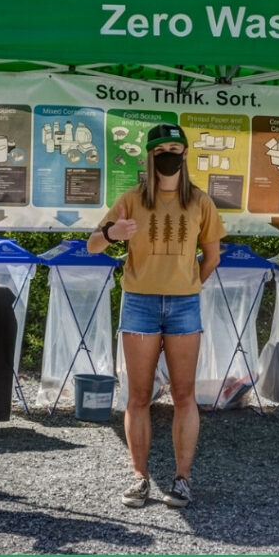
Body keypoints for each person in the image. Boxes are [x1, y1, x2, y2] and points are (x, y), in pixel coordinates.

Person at [87, 123, 225, 508]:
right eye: (161, 147)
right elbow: (93, 245)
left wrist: (189, 284)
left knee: (184, 395)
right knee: (138, 396)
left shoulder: (201, 202)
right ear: (149, 155)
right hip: (140, 304)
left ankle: (182, 479)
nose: (169, 153)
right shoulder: (131, 199)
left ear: (185, 154)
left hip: (184, 306)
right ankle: (139, 477)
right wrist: (113, 233)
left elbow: (212, 256)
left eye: (175, 147)